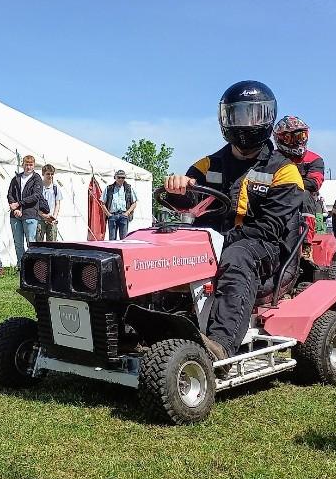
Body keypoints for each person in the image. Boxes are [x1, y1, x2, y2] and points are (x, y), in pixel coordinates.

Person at [164, 80, 303, 363]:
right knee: (165, 244)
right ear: (225, 118)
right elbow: (190, 202)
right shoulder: (207, 164)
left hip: (266, 249)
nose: (244, 123)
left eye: (253, 114)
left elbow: (270, 228)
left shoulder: (285, 171)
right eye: (238, 115)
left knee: (238, 255)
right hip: (213, 240)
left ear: (267, 117)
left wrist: (220, 240)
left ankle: (220, 344)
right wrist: (177, 190)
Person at [272, 116, 324, 260]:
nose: (299, 140)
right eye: (292, 137)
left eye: (302, 135)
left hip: (302, 199)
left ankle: (306, 246)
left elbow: (314, 183)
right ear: (281, 138)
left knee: (306, 195)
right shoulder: (271, 157)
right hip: (275, 197)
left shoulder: (314, 159)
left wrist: (285, 183)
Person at [7, 155, 44, 265]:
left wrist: (19, 204)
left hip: (30, 214)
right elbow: (10, 194)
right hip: (15, 215)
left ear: (34, 165)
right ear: (22, 164)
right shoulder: (16, 178)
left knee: (31, 242)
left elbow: (36, 196)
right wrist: (15, 208)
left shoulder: (36, 179)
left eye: (30, 164)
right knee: (18, 242)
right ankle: (21, 265)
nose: (28, 167)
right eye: (26, 164)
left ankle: (31, 266)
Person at [101, 169, 137, 240]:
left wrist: (127, 213)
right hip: (112, 215)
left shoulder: (128, 188)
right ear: (115, 177)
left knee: (123, 239)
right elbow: (102, 203)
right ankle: (112, 251)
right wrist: (109, 214)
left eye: (123, 177)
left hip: (123, 215)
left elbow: (134, 203)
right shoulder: (109, 188)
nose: (121, 179)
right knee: (112, 239)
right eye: (119, 177)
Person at [37, 164, 63, 242]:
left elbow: (57, 204)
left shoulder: (55, 188)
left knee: (52, 245)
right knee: (39, 244)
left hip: (52, 220)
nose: (50, 176)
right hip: (40, 219)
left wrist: (54, 217)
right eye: (48, 174)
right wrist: (44, 216)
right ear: (43, 174)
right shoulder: (38, 187)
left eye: (52, 174)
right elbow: (35, 204)